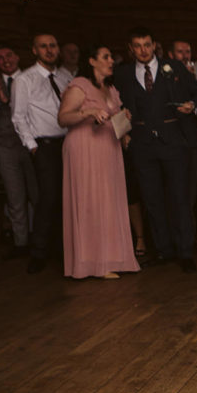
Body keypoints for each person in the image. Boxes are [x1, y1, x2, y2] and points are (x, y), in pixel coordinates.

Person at [114, 26, 197, 273]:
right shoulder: (122, 74)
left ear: (154, 45)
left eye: (147, 44)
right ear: (130, 49)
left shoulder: (173, 68)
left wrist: (192, 105)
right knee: (152, 199)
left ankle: (185, 251)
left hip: (173, 141)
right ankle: (164, 250)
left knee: (179, 197)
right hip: (142, 143)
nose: (143, 50)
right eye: (137, 45)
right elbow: (115, 102)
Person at [57, 45, 140, 279]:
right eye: (106, 57)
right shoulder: (79, 86)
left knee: (108, 200)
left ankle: (111, 257)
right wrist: (87, 113)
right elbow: (63, 118)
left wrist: (124, 127)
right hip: (84, 148)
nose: (111, 60)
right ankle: (92, 263)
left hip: (108, 148)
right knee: (90, 201)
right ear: (92, 61)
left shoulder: (111, 89)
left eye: (111, 56)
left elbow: (114, 118)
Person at [12, 33, 73, 272]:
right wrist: (32, 146)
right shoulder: (25, 80)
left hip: (69, 142)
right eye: (43, 46)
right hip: (44, 145)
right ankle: (38, 252)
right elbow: (18, 116)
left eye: (53, 45)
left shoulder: (66, 76)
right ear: (34, 50)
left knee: (67, 196)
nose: (49, 50)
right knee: (48, 197)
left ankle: (62, 249)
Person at [0, 45, 36, 260]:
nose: (5, 61)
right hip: (5, 146)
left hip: (31, 144)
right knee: (15, 197)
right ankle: (21, 243)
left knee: (37, 193)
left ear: (18, 56)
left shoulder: (31, 79)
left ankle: (43, 239)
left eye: (9, 55)